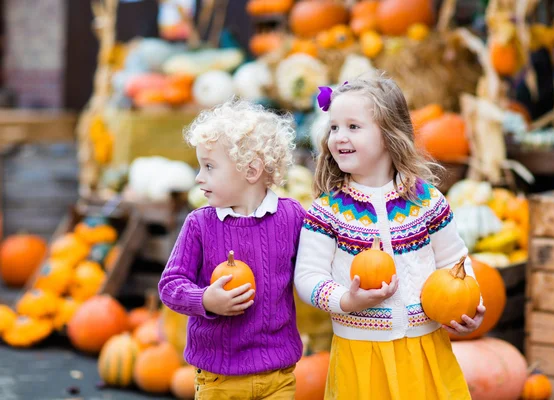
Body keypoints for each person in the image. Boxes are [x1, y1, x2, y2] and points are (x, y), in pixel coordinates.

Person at [294, 74, 486, 399]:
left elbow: (455, 260)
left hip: (425, 349)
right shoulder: (327, 212)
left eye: (353, 127)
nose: (340, 136)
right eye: (334, 128)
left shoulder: (427, 202)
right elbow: (307, 277)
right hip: (362, 354)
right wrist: (346, 300)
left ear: (388, 134)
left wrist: (470, 303)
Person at [159, 99, 305, 400]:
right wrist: (205, 300)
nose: (199, 177)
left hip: (278, 376)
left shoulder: (292, 217)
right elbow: (170, 285)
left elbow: (315, 265)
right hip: (219, 379)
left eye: (209, 167)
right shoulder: (200, 224)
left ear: (251, 170)